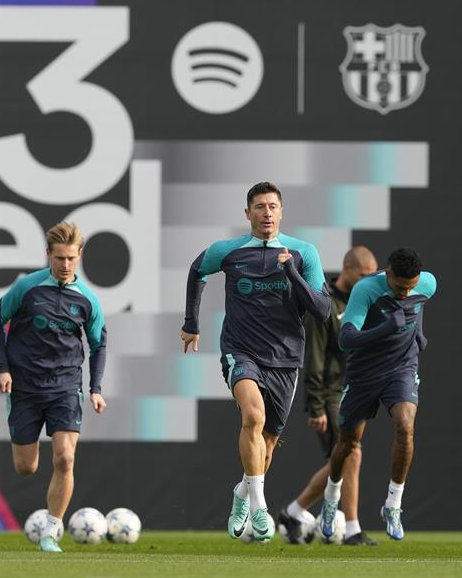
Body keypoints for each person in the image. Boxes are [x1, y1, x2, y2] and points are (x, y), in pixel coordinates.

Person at [180, 181, 330, 541]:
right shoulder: (229, 252)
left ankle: (242, 493)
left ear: (281, 211)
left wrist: (290, 273)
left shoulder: (303, 252)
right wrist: (191, 324)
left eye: (272, 207)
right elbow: (197, 271)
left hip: (286, 359)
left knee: (266, 446)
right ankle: (260, 506)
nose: (266, 213)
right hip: (241, 350)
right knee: (252, 416)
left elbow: (322, 310)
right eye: (259, 207)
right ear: (247, 213)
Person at [0, 222, 107, 553]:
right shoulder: (27, 288)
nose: (65, 265)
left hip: (65, 387)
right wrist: (2, 369)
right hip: (25, 387)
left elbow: (98, 346)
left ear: (79, 256)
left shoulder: (88, 301)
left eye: (71, 258)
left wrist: (95, 388)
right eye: (59, 258)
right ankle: (48, 524)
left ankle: (51, 532)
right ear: (48, 256)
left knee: (65, 459)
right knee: (26, 467)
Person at [319, 248, 436, 541]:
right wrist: (385, 328)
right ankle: (332, 496)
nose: (405, 293)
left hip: (402, 370)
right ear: (388, 274)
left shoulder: (427, 284)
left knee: (405, 427)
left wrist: (417, 332)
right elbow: (346, 339)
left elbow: (417, 306)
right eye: (400, 287)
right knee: (348, 444)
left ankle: (393, 504)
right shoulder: (366, 289)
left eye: (411, 286)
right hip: (364, 375)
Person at [278, 246, 379, 546]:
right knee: (352, 454)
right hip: (330, 394)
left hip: (355, 390)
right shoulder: (325, 305)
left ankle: (293, 512)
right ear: (347, 269)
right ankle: (351, 530)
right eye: (364, 276)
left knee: (343, 459)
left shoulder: (365, 302)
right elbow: (315, 358)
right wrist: (316, 406)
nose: (368, 282)